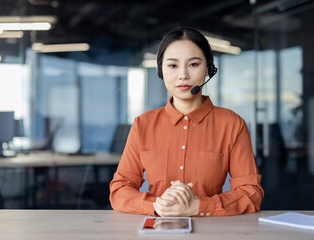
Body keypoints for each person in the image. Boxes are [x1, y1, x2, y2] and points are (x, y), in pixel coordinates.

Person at [109, 27, 264, 217]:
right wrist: (157, 205)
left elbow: (251, 192)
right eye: (173, 66)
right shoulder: (143, 125)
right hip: (157, 228)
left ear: (208, 68)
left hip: (213, 229)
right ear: (161, 70)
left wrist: (200, 206)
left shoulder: (232, 124)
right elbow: (120, 190)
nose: (183, 75)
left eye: (193, 64)